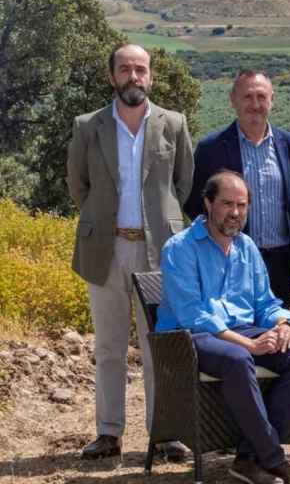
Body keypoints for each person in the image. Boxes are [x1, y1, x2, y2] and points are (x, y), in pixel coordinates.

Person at [67, 44, 193, 461]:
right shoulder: (88, 126)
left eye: (141, 69)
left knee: (161, 345)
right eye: (125, 69)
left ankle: (165, 433)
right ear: (112, 77)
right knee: (109, 347)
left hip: (160, 252)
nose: (134, 76)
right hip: (106, 248)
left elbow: (183, 186)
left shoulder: (174, 124)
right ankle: (108, 433)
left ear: (151, 77)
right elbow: (79, 187)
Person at [158, 171, 290, 484]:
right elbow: (194, 315)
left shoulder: (246, 247)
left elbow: (266, 304)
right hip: (189, 338)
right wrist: (247, 345)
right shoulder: (179, 248)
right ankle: (275, 460)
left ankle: (248, 457)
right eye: (227, 204)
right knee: (237, 358)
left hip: (240, 332)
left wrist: (284, 324)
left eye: (242, 205)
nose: (235, 213)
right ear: (208, 203)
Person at [185, 70, 290, 309]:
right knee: (238, 328)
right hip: (230, 258)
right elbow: (196, 204)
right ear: (233, 100)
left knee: (277, 330)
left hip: (281, 261)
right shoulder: (211, 148)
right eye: (247, 97)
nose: (255, 104)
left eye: (261, 97)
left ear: (272, 100)